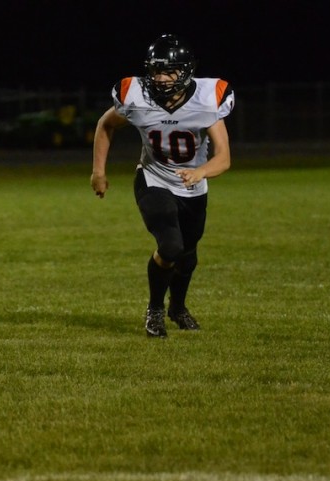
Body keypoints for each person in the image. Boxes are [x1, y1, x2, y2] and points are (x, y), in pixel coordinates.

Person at [90, 34, 234, 338]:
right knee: (170, 246)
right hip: (153, 178)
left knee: (188, 256)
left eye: (169, 71)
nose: (161, 78)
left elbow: (224, 158)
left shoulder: (207, 100)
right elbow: (106, 124)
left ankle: (177, 308)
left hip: (193, 186)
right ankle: (155, 309)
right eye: (156, 71)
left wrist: (201, 172)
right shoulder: (136, 96)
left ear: (185, 72)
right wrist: (98, 171)